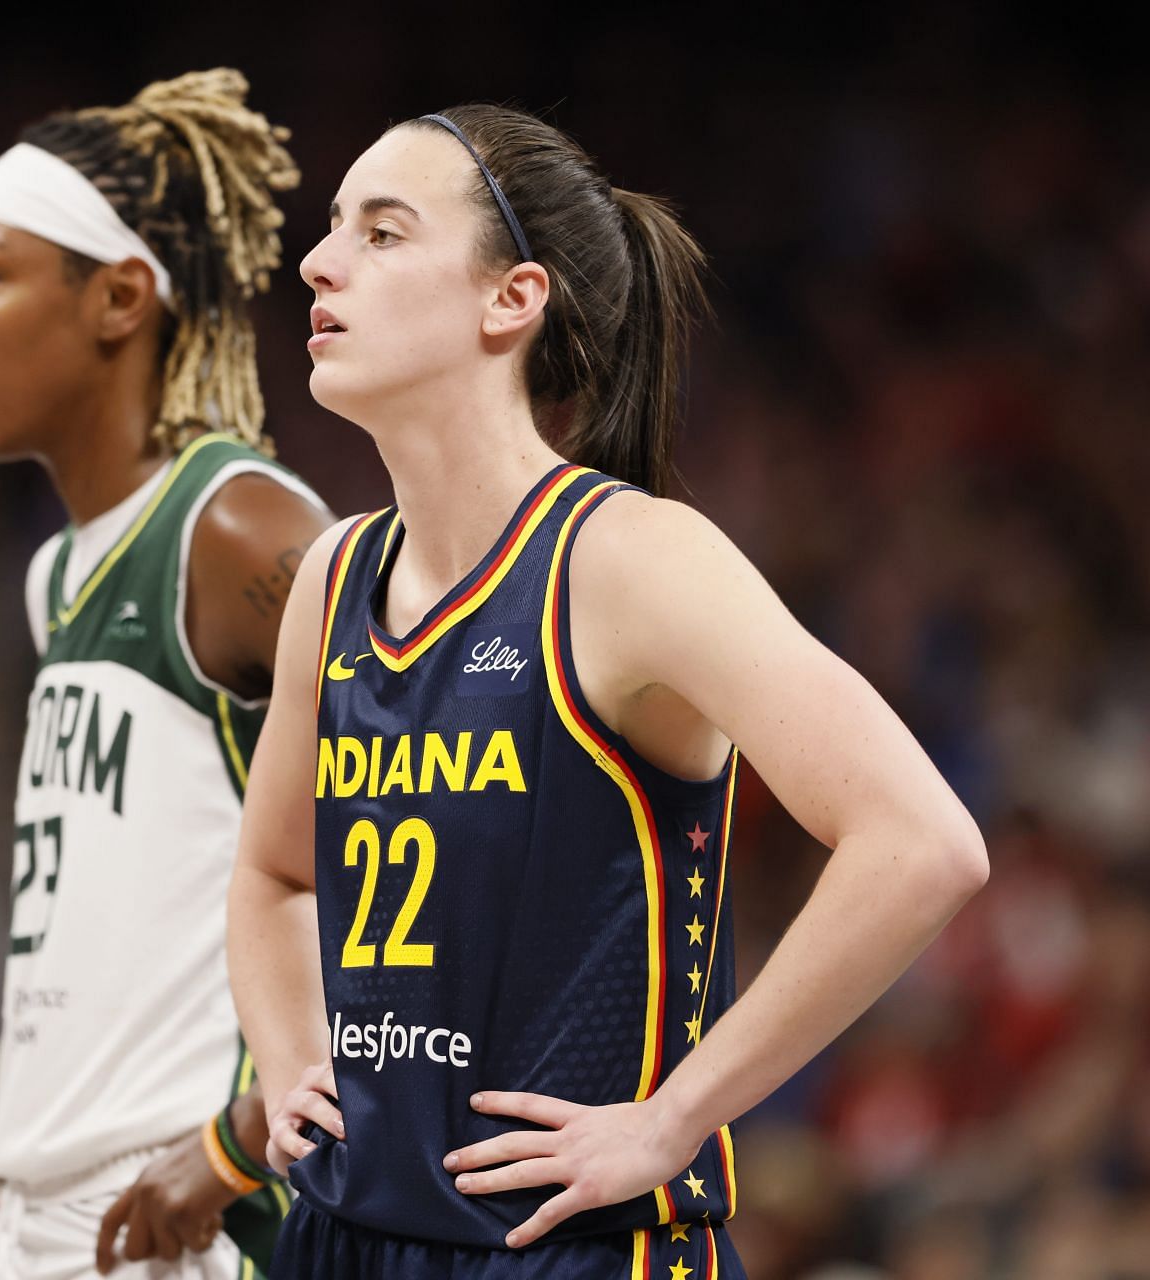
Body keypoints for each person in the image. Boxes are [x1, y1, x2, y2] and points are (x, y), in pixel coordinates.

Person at [225, 104, 989, 1279]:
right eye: (332, 228)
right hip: (346, 1230)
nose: (319, 263)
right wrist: (287, 1058)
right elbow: (275, 870)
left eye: (382, 233)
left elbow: (924, 840)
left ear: (511, 299)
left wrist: (675, 1117)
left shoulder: (628, 559)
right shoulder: (332, 575)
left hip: (561, 1246)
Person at [0, 69, 335, 1279]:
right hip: (53, 1206)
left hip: (193, 1209)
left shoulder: (241, 529)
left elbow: (426, 834)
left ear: (118, 297)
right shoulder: (56, 579)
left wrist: (245, 1138)